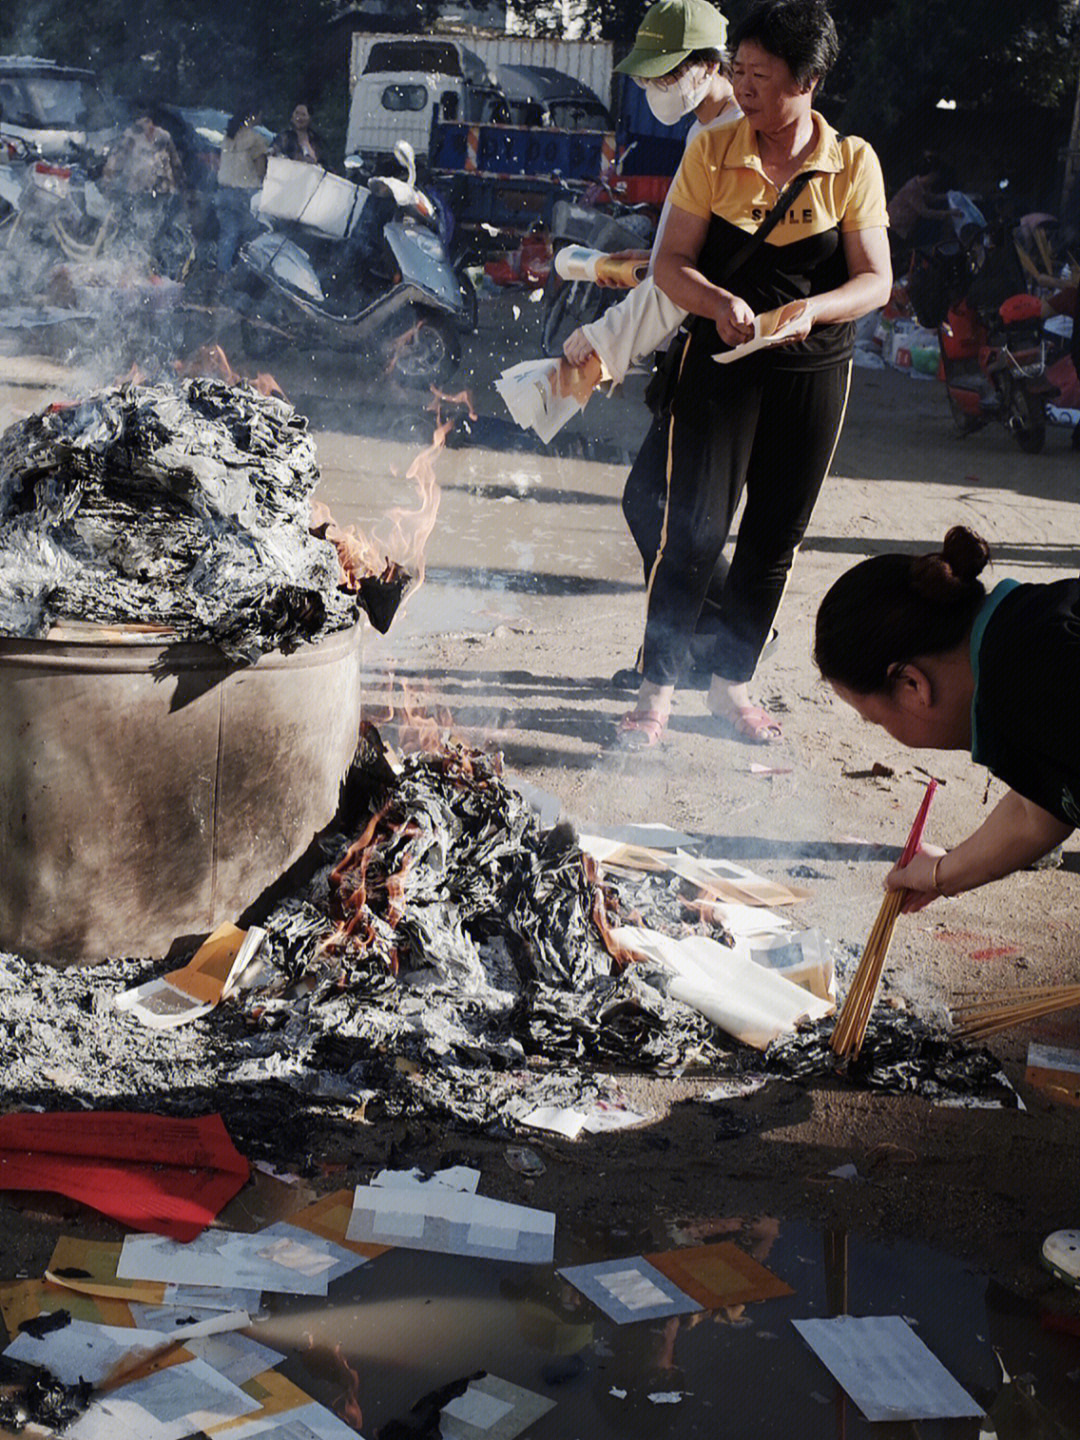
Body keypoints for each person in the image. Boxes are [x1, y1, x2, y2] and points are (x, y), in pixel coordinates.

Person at [613, 0, 891, 748]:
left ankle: (732, 686)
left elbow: (875, 282)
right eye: (737, 70)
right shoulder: (712, 151)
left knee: (775, 537)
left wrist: (815, 310)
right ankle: (656, 693)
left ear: (810, 81)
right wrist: (718, 299)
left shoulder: (852, 162)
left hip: (812, 372)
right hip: (720, 367)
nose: (743, 88)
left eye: (761, 77)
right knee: (692, 531)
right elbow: (670, 266)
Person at [561, 0, 741, 690]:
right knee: (665, 507)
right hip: (698, 343)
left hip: (714, 349)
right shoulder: (707, 131)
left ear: (703, 67)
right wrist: (648, 258)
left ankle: (696, 655)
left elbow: (681, 285)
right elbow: (680, 257)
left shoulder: (729, 140)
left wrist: (606, 343)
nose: (649, 90)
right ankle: (695, 649)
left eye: (660, 75)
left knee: (661, 507)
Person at [814, 526, 1077, 910]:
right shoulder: (1019, 632)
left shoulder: (1033, 680)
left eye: (878, 721)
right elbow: (1035, 812)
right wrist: (942, 873)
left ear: (911, 684)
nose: (888, 733)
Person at [216, 104, 269, 272]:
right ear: (253, 116)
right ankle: (242, 277)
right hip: (246, 193)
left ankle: (221, 275)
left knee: (228, 236)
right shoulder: (256, 140)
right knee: (250, 239)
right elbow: (261, 171)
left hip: (224, 191)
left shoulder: (228, 137)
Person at [887, 152, 960, 258]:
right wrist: (949, 213)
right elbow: (924, 212)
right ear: (932, 175)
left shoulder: (921, 186)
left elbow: (930, 197)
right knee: (898, 256)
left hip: (903, 229)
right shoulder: (913, 188)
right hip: (895, 228)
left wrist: (949, 196)